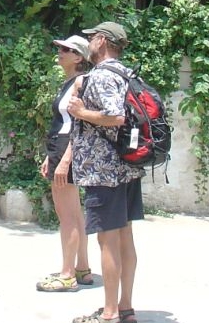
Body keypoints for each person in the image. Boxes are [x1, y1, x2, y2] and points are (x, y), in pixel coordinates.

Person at [67, 21, 145, 323]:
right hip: (128, 167)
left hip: (104, 170)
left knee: (107, 240)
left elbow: (115, 116)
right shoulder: (128, 73)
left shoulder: (101, 75)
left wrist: (80, 112)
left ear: (101, 40)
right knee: (125, 237)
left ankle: (110, 313)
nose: (88, 42)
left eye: (91, 38)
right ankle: (125, 308)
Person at [36, 35, 94, 293]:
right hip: (60, 147)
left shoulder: (80, 83)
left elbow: (79, 125)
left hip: (67, 148)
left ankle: (68, 274)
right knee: (75, 212)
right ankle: (82, 268)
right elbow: (64, 122)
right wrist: (51, 157)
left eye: (66, 49)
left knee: (66, 215)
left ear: (78, 57)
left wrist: (64, 160)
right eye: (60, 47)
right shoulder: (70, 82)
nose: (60, 52)